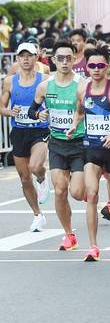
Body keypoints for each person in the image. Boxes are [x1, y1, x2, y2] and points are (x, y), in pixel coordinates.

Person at [67, 46, 110, 261]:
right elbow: (80, 110)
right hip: (91, 149)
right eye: (92, 66)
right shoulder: (82, 88)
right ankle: (93, 247)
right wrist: (74, 124)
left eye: (100, 65)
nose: (96, 69)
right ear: (86, 67)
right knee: (91, 194)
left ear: (107, 66)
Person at [29, 41, 86, 251]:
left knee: (77, 193)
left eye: (68, 58)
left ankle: (89, 189)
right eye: (60, 58)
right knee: (60, 190)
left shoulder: (82, 85)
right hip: (57, 145)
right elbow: (31, 110)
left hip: (80, 143)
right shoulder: (45, 86)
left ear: (74, 59)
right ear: (53, 60)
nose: (64, 62)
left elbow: (91, 109)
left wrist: (77, 121)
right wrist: (39, 114)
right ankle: (69, 235)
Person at [0, 42, 51, 231]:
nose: (26, 59)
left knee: (35, 166)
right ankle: (38, 215)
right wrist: (9, 112)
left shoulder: (45, 79)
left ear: (36, 57)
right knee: (24, 178)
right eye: (22, 56)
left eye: (29, 55)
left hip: (40, 129)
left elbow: (56, 101)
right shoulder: (10, 81)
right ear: (17, 59)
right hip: (19, 131)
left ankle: (43, 178)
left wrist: (47, 113)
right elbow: (1, 107)